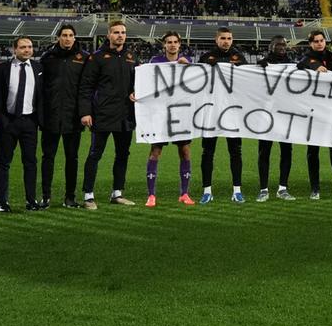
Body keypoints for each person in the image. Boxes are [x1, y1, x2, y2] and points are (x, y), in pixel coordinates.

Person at [79, 20, 137, 208]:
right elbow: (86, 86)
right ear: (109, 35)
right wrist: (86, 112)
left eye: (123, 32)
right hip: (102, 114)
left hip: (125, 116)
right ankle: (88, 195)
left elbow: (138, 83)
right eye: (116, 32)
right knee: (95, 154)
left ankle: (117, 193)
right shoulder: (96, 58)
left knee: (122, 155)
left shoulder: (130, 56)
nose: (120, 35)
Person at [144, 32, 196, 207]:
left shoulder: (187, 61)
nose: (172, 45)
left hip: (181, 113)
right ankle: (151, 195)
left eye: (175, 42)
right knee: (155, 152)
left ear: (180, 45)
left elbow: (195, 85)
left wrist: (188, 68)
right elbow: (146, 83)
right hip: (160, 113)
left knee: (185, 152)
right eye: (169, 42)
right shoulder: (155, 62)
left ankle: (184, 193)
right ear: (164, 45)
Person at [38, 24, 87, 208]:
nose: (67, 38)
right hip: (51, 117)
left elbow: (86, 88)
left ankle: (70, 197)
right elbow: (40, 89)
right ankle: (45, 196)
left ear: (75, 38)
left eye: (71, 35)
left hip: (73, 118)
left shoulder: (83, 58)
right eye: (64, 35)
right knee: (47, 157)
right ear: (58, 37)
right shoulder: (48, 58)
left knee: (72, 158)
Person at [0, 36, 43, 212]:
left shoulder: (38, 68)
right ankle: (2, 202)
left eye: (29, 47)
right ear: (14, 49)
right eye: (22, 47)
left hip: (30, 121)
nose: (27, 50)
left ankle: (31, 200)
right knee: (4, 163)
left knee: (30, 162)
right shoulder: (3, 69)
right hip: (8, 121)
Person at [198, 28, 248, 204]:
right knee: (208, 152)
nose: (226, 41)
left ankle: (237, 190)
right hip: (211, 110)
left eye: (229, 38)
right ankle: (207, 191)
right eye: (223, 38)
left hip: (233, 111)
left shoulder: (240, 58)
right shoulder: (206, 58)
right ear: (216, 39)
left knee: (236, 151)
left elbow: (250, 82)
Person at [255, 36, 295, 202]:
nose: (282, 47)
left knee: (286, 152)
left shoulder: (292, 64)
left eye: (284, 45)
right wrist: (258, 66)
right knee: (264, 152)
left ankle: (283, 188)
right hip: (266, 114)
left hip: (286, 114)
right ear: (271, 46)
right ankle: (263, 189)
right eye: (278, 44)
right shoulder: (263, 64)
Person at [297, 30, 332, 200]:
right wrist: (315, 67)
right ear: (310, 43)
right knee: (313, 151)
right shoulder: (306, 57)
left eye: (321, 40)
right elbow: (301, 64)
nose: (319, 43)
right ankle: (315, 188)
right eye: (316, 41)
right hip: (313, 110)